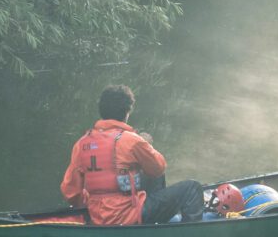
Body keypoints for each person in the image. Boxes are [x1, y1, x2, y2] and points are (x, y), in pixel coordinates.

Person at [62, 84, 205, 225]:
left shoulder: (82, 144)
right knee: (192, 188)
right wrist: (145, 143)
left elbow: (70, 192)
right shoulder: (131, 140)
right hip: (129, 215)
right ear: (127, 112)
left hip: (97, 215)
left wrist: (95, 202)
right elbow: (159, 167)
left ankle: (152, 223)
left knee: (153, 176)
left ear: (101, 111)